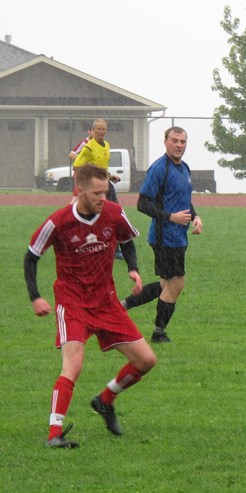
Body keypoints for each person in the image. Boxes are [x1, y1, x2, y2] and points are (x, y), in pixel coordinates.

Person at [24, 164, 157, 448]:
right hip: (73, 303)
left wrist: (133, 269)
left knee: (146, 361)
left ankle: (106, 399)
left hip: (106, 301)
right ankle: (54, 434)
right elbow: (31, 256)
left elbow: (127, 240)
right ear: (79, 190)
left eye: (106, 191)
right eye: (97, 192)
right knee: (73, 365)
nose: (103, 197)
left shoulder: (112, 212)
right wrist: (35, 296)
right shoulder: (59, 221)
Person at [121, 126, 203, 343]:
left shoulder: (184, 168)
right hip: (163, 237)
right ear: (165, 142)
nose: (179, 145)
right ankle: (159, 333)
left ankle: (123, 306)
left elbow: (183, 198)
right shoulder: (159, 168)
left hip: (179, 237)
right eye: (174, 141)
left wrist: (195, 217)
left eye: (182, 141)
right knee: (176, 284)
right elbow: (142, 204)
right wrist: (170, 217)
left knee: (166, 285)